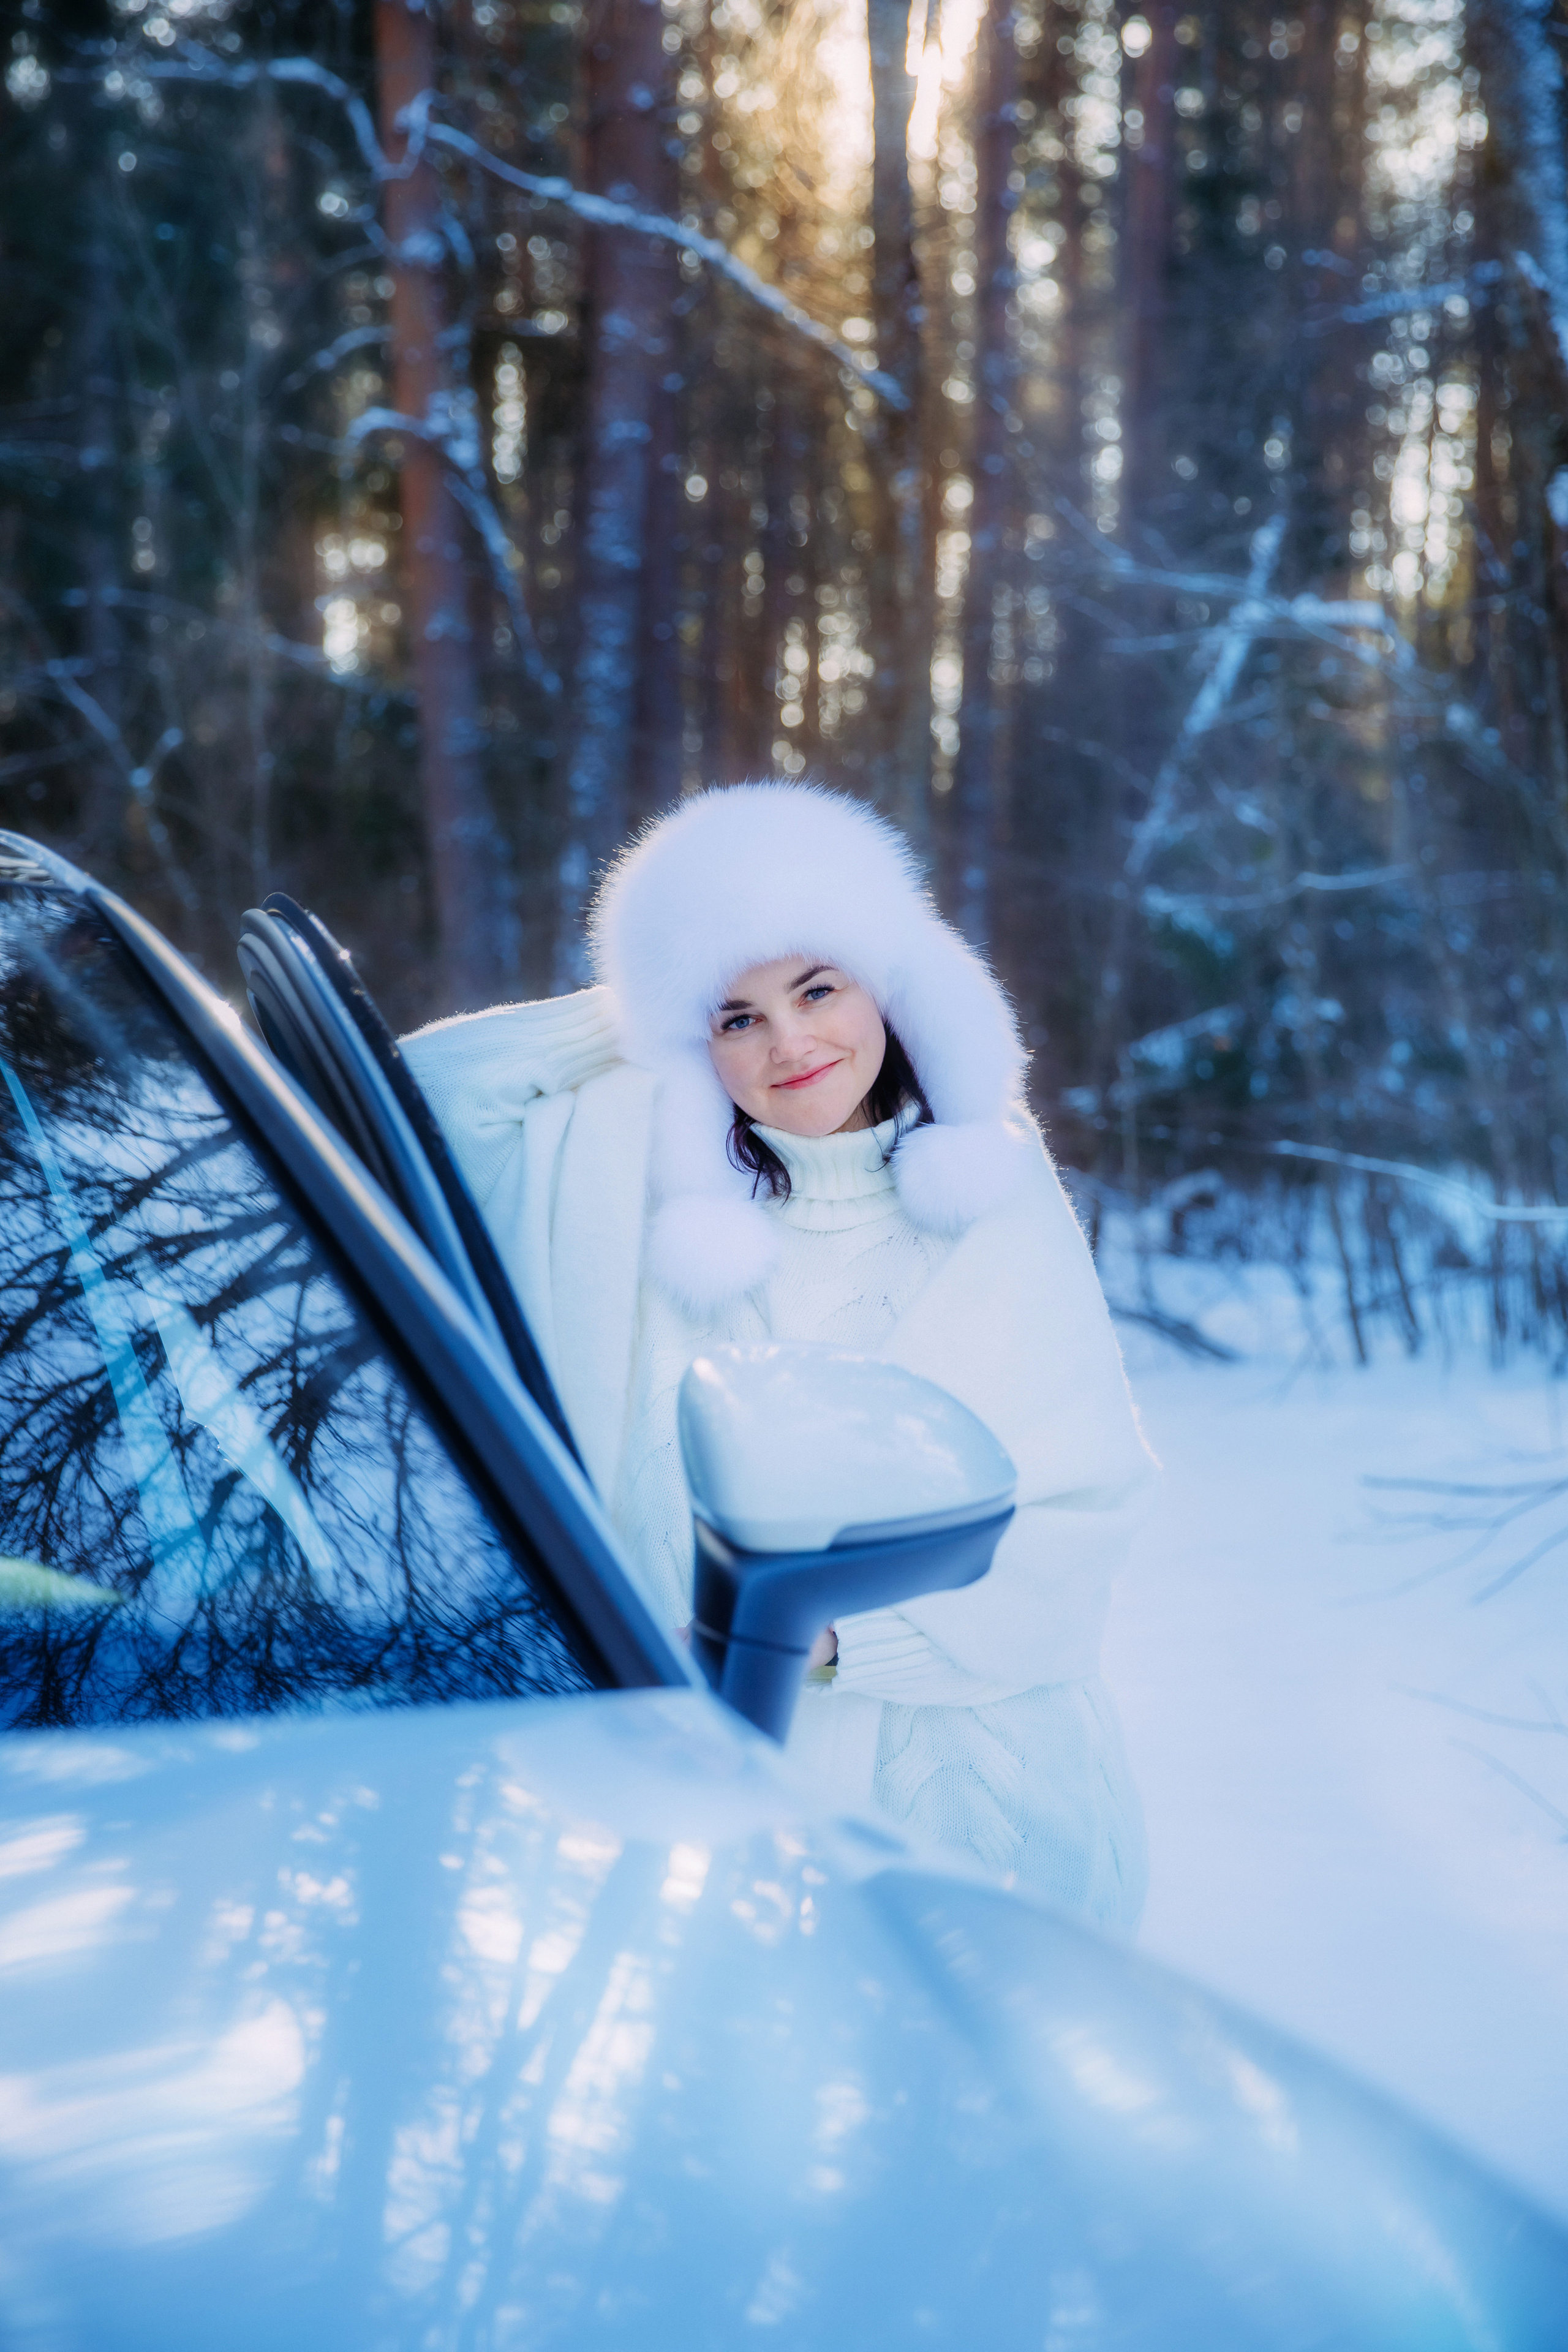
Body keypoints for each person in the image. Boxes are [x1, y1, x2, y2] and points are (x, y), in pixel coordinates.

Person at [403, 783, 1156, 1930]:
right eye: (737, 1018)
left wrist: (830, 1639)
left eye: (818, 987)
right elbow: (425, 1093)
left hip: (975, 1815)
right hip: (703, 1826)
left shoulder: (992, 1193)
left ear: (890, 981)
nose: (790, 1042)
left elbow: (1084, 1516)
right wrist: (655, 997)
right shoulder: (626, 1178)